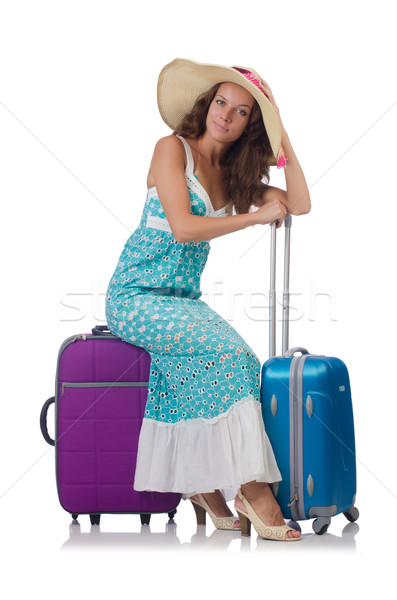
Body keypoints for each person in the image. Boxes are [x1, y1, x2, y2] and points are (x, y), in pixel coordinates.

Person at [105, 58, 311, 542]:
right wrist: (252, 219)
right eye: (222, 102)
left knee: (209, 363)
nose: (226, 115)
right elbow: (184, 226)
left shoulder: (233, 174)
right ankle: (252, 491)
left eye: (242, 111)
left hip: (181, 301)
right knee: (232, 355)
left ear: (249, 125)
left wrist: (283, 139)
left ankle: (202, 488)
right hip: (136, 296)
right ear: (207, 104)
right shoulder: (170, 149)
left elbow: (298, 203)